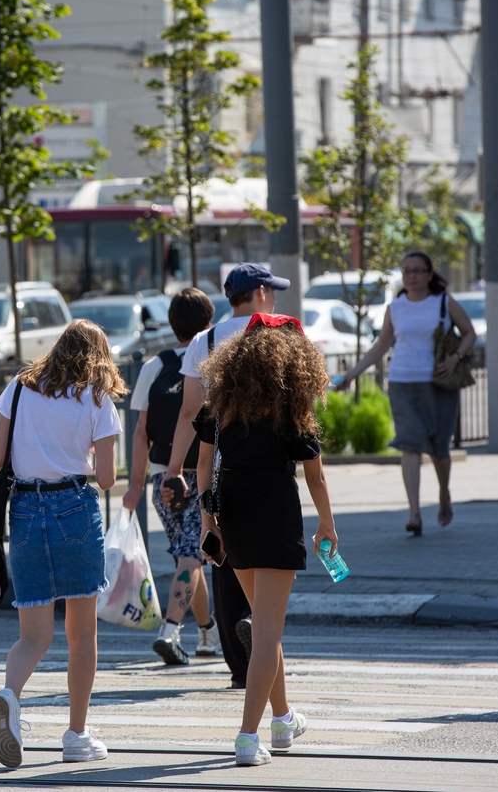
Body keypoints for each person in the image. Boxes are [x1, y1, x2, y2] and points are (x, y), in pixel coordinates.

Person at [195, 312, 338, 766]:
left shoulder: (221, 399)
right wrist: (327, 524)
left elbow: (202, 465)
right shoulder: (291, 402)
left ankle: (282, 719)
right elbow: (314, 476)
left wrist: (207, 522)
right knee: (267, 629)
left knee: (265, 623)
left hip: (233, 514)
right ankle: (245, 737)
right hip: (275, 513)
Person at [0, 319, 125, 768]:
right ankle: (77, 735)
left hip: (24, 510)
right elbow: (105, 479)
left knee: (34, 634)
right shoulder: (98, 397)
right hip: (74, 510)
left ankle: (9, 694)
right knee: (81, 632)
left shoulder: (20, 387)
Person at [162, 262, 291, 687]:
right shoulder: (277, 333)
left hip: (219, 467)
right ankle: (258, 626)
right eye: (271, 290)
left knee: (224, 558)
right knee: (270, 558)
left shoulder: (206, 340)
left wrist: (174, 468)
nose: (273, 298)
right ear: (257, 293)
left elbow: (189, 411)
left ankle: (240, 667)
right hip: (270, 464)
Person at [338, 252, 476, 535]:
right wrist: (352, 374)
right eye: (406, 271)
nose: (411, 276)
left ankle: (444, 494)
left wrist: (455, 358)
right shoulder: (396, 307)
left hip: (438, 383)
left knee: (440, 448)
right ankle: (414, 512)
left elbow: (470, 333)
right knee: (410, 445)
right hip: (402, 383)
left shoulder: (443, 302)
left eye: (417, 271)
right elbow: (380, 347)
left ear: (429, 274)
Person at [121, 288, 219, 666]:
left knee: (187, 556)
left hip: (163, 478)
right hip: (203, 474)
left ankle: (207, 632)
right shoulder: (211, 360)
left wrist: (134, 485)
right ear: (209, 324)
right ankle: (170, 630)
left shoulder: (154, 366)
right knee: (191, 554)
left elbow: (141, 432)